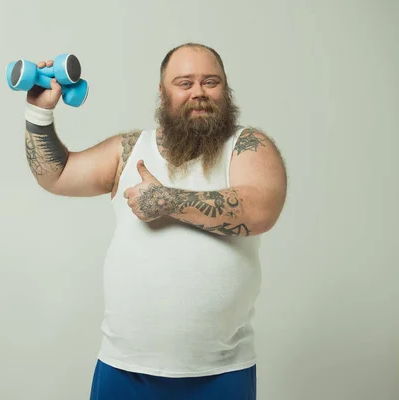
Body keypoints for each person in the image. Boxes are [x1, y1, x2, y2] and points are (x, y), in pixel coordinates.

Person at [22, 42, 287, 399]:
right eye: (185, 83)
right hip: (125, 370)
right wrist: (39, 114)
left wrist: (166, 201)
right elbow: (58, 174)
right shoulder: (130, 150)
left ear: (226, 89)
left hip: (221, 372)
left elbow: (260, 210)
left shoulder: (246, 146)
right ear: (163, 93)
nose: (198, 92)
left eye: (211, 82)